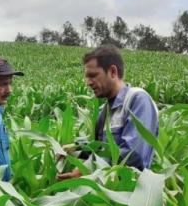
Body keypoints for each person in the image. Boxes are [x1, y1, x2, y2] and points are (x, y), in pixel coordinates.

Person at [59, 45, 159, 180]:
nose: (88, 83)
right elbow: (101, 148)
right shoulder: (104, 111)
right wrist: (75, 148)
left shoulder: (138, 100)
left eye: (93, 76)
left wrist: (88, 168)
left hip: (130, 189)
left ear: (112, 71)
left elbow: (134, 155)